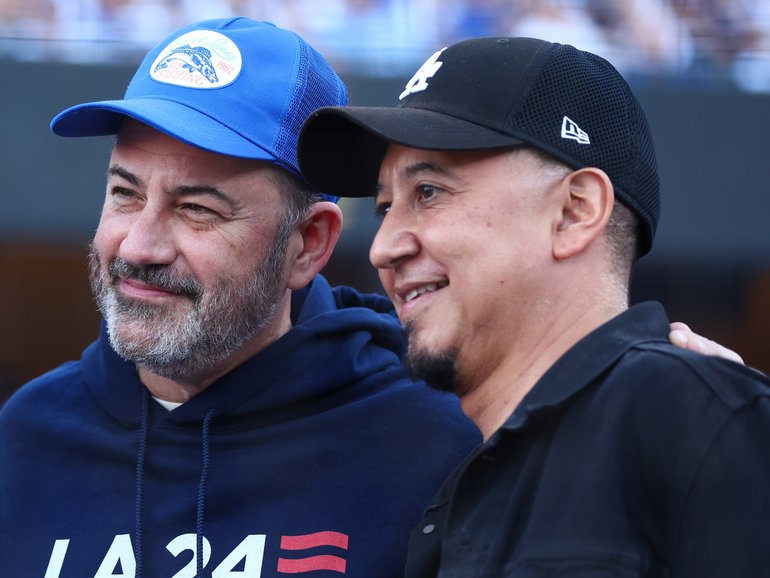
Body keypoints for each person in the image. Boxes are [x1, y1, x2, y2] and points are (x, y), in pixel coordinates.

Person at [0, 18, 483, 578]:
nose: (139, 246)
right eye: (125, 194)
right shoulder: (28, 437)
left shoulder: (434, 446)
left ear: (307, 244)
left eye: (196, 209)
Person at [297, 36, 770, 577]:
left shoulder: (693, 417)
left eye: (428, 191)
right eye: (384, 207)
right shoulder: (459, 480)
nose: (383, 247)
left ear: (574, 212)